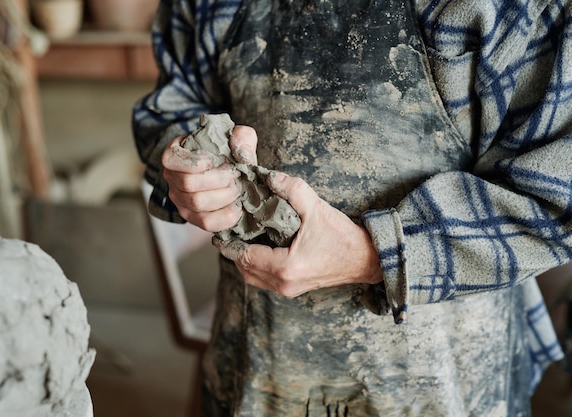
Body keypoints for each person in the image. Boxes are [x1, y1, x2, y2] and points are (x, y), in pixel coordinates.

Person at [132, 0, 572, 415]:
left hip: (445, 378)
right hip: (260, 362)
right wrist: (191, 162)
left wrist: (376, 253)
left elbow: (559, 190)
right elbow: (172, 104)